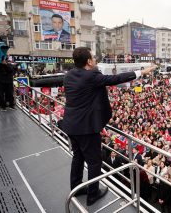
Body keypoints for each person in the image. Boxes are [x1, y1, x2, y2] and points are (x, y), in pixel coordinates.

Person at [61, 47, 156, 206]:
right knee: (94, 162)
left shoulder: (69, 75)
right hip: (87, 128)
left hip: (71, 125)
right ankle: (92, 194)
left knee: (77, 157)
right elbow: (116, 79)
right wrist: (142, 72)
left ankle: (76, 188)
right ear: (89, 61)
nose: (95, 60)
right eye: (93, 57)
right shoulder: (92, 75)